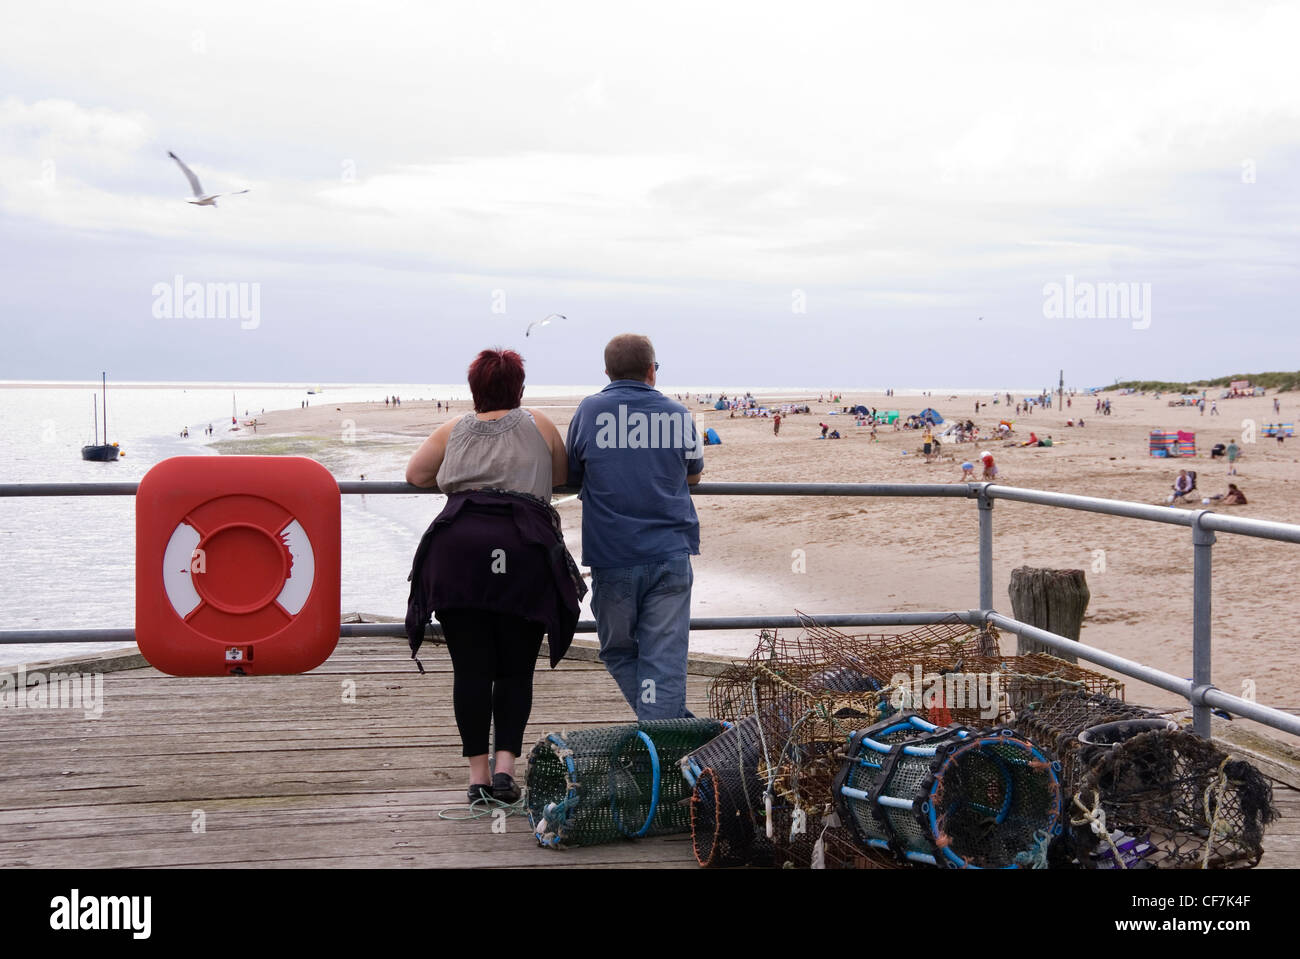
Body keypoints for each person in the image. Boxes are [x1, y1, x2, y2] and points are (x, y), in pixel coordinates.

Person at [405, 348, 584, 805]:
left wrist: (464, 480)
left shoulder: (453, 428)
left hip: (459, 550)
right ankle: (506, 770)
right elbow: (561, 476)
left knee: (470, 668)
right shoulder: (539, 424)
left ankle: (477, 778)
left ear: (473, 390)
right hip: (522, 552)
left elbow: (415, 475)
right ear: (519, 388)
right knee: (515, 668)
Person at [566, 334, 704, 721]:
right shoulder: (677, 414)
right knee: (665, 659)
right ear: (651, 371)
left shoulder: (590, 411)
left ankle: (667, 735)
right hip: (670, 551)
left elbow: (573, 471)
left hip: (614, 554)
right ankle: (673, 731)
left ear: (607, 372)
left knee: (617, 650)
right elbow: (694, 473)